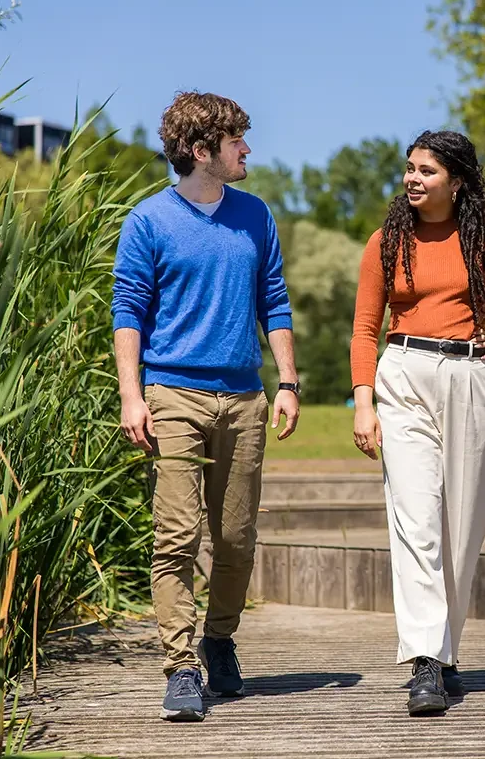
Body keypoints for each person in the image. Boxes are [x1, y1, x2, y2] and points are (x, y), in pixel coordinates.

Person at [350, 130, 485, 716]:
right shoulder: (385, 241)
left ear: (458, 180)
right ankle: (423, 660)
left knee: (462, 526)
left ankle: (446, 655)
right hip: (402, 376)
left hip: (470, 377)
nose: (413, 179)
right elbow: (365, 329)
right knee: (417, 523)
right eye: (409, 169)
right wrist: (364, 402)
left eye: (427, 171)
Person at [112, 92, 300, 722]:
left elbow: (274, 300)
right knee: (176, 536)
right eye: (237, 141)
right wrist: (132, 395)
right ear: (202, 151)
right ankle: (180, 666)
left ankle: (220, 641)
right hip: (172, 396)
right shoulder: (148, 220)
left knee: (236, 536)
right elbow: (128, 313)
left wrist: (290, 381)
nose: (247, 149)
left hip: (245, 398)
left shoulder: (255, 215)